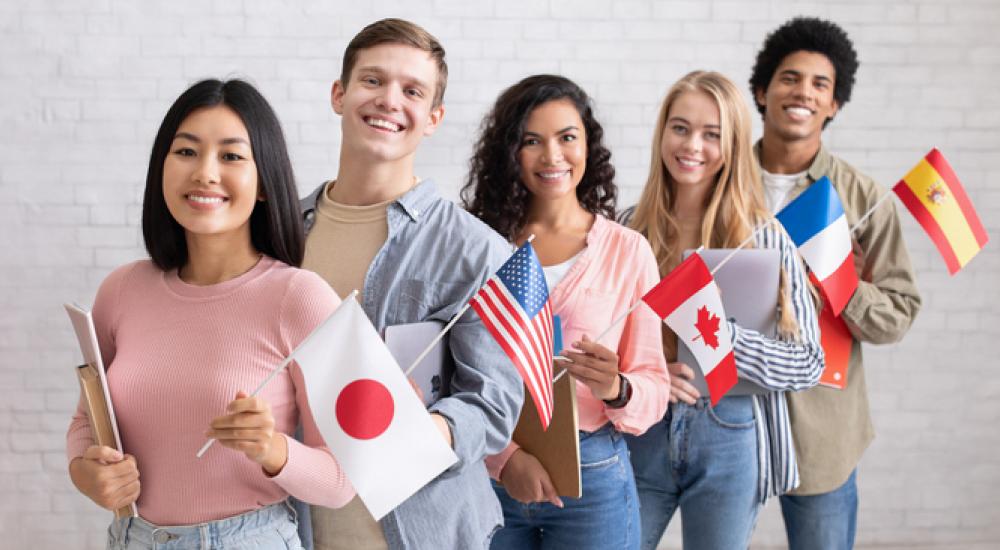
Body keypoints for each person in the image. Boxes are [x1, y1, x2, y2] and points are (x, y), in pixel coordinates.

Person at [65, 79, 355, 549]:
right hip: (133, 538)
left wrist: (273, 449)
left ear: (264, 183)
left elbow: (343, 481)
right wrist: (86, 473)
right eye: (186, 152)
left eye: (232, 156)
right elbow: (86, 422)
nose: (204, 172)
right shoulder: (121, 290)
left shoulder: (300, 297)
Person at [299, 18, 523, 550]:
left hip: (422, 532)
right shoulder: (281, 232)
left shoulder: (477, 250)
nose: (389, 100)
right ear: (339, 94)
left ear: (433, 118)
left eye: (412, 90)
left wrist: (430, 434)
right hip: (294, 529)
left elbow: (493, 404)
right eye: (372, 81)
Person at [462, 74, 670, 550]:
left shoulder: (628, 252)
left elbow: (654, 389)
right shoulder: (478, 246)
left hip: (594, 476)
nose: (552, 156)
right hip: (489, 472)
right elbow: (454, 374)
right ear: (509, 152)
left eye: (567, 138)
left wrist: (616, 388)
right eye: (532, 141)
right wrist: (505, 458)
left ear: (588, 146)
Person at [621, 70, 824, 550]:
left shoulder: (762, 237)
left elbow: (809, 361)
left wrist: (722, 340)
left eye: (712, 134)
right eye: (680, 127)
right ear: (662, 133)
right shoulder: (630, 229)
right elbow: (609, 338)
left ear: (731, 145)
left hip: (731, 434)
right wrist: (644, 374)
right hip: (644, 429)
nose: (692, 145)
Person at [750, 17, 921, 550]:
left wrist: (841, 284)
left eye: (819, 84)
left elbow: (898, 312)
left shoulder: (863, 198)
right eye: (789, 78)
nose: (802, 92)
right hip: (732, 416)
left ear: (834, 105)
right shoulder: (718, 179)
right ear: (762, 91)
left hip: (822, 425)